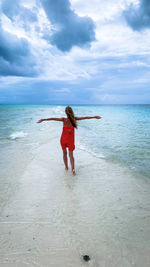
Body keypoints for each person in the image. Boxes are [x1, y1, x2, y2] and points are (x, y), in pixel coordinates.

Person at [37, 106, 102, 175]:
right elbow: (85, 117)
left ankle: (66, 167)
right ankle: (73, 169)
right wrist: (94, 117)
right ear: (72, 112)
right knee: (71, 155)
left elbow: (53, 119)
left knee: (64, 154)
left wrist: (44, 119)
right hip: (70, 141)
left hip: (63, 140)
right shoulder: (75, 119)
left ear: (66, 113)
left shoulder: (64, 120)